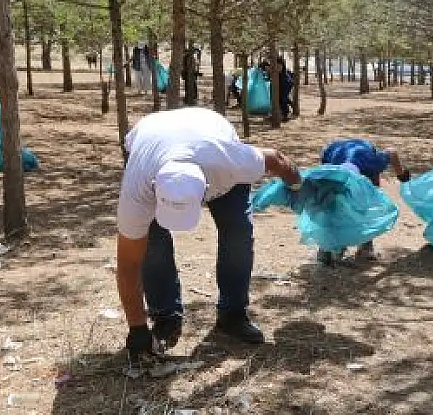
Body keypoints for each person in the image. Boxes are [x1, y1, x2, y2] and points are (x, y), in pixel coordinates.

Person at [116, 107, 303, 365]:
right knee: (152, 243)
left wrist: (298, 185)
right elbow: (128, 264)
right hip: (151, 138)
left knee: (238, 232)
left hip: (211, 135)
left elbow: (277, 159)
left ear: (206, 188)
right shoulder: (139, 186)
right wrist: (136, 329)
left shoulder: (232, 161)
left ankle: (233, 313)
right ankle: (165, 317)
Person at [316, 138, 412, 264]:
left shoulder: (373, 164)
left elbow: (392, 152)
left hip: (363, 152)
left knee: (370, 201)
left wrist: (401, 174)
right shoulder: (331, 172)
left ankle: (366, 244)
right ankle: (328, 247)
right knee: (330, 203)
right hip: (333, 152)